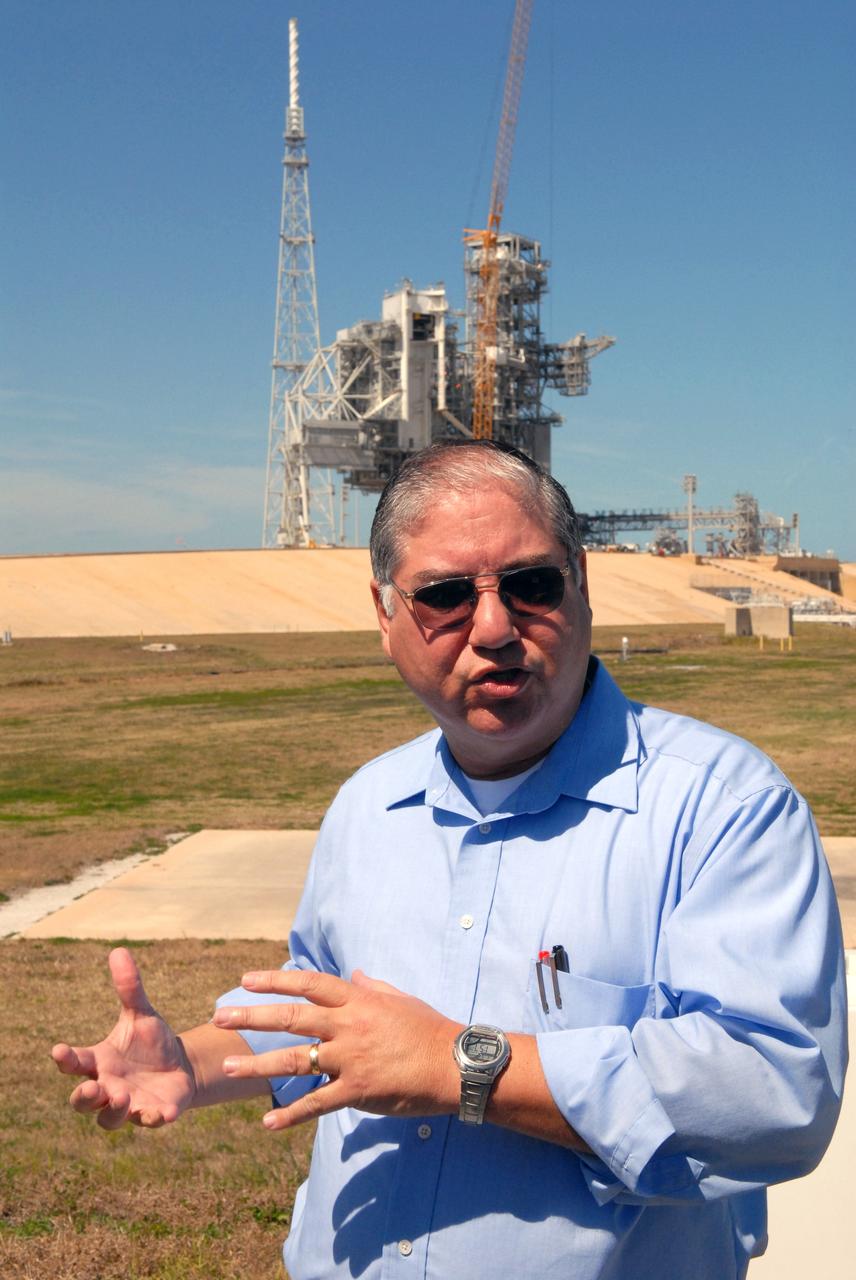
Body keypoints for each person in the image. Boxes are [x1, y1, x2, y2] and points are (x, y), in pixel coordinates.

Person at [53, 441, 847, 1279]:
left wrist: (459, 1065)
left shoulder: (722, 807)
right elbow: (324, 1012)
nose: (497, 628)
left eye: (532, 585)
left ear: (581, 581)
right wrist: (192, 1062)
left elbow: (774, 1092)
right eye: (444, 596)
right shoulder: (369, 805)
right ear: (386, 614)